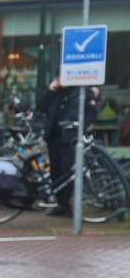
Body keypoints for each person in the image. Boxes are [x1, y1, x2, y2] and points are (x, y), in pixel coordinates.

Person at [38, 76, 100, 217]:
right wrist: (50, 91)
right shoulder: (56, 93)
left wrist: (80, 128)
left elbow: (91, 113)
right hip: (53, 137)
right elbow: (41, 107)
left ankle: (67, 205)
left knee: (67, 171)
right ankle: (61, 204)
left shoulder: (82, 92)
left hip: (70, 139)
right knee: (55, 172)